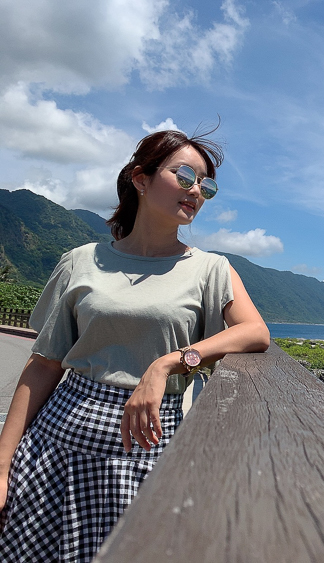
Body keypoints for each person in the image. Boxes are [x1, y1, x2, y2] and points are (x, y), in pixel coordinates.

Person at [0, 128, 270, 561]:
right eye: (185, 176)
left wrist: (170, 363)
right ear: (140, 180)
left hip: (144, 447)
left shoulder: (209, 268)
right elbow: (44, 365)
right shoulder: (79, 261)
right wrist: (2, 466)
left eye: (206, 184)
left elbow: (256, 333)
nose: (196, 191)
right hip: (56, 446)